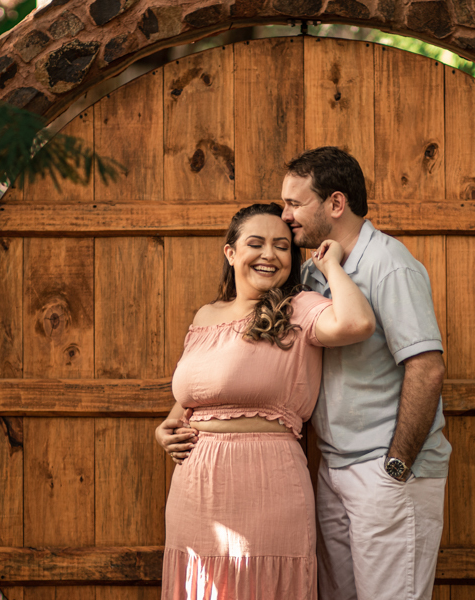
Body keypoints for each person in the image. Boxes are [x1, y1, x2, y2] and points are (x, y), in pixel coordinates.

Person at [155, 202, 375, 600]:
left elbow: (357, 323)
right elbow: (193, 394)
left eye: (282, 246)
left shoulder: (299, 306)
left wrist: (332, 267)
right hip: (195, 488)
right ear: (231, 252)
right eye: (256, 243)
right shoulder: (206, 315)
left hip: (269, 484)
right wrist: (166, 427)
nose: (270, 255)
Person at [281, 146, 452, 600]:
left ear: (335, 204)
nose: (285, 215)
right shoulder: (316, 270)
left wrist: (395, 466)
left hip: (386, 472)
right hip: (335, 470)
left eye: (295, 204)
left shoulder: (388, 264)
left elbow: (427, 368)